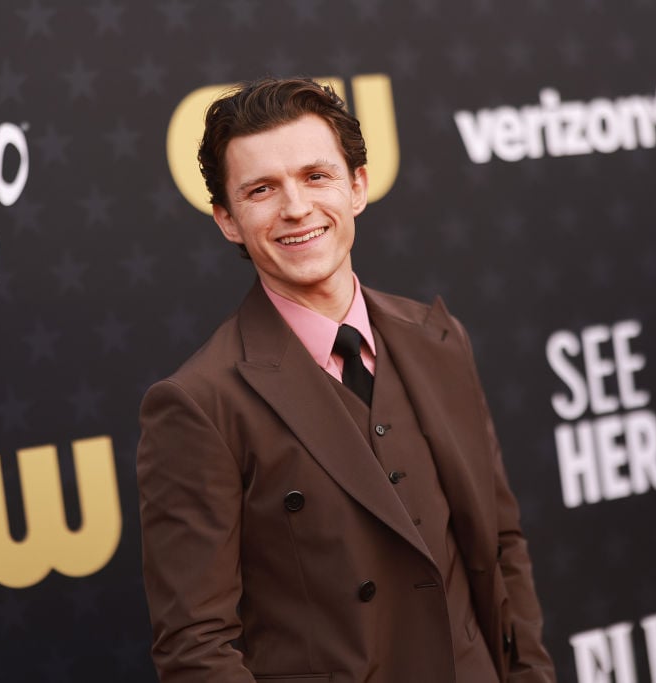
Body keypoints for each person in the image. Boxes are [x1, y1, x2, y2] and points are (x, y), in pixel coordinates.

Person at [136, 77, 555, 683]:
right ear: (227, 220)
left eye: (315, 176)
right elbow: (194, 648)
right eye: (261, 190)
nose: (297, 208)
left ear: (357, 185)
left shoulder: (438, 339)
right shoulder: (198, 404)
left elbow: (501, 544)